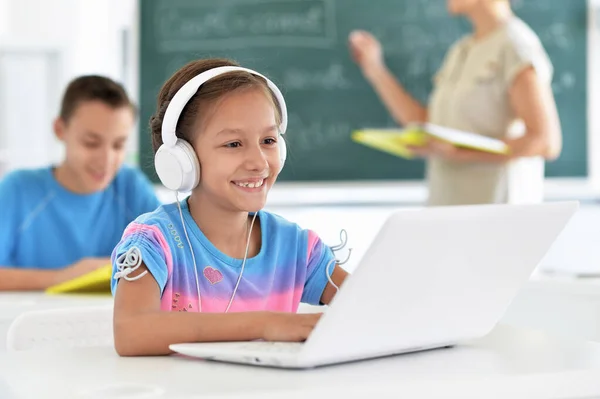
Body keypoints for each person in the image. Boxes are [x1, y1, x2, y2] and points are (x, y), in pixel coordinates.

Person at [110, 58, 349, 356]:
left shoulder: (298, 249)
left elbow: (373, 307)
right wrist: (263, 324)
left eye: (269, 140)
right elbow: (130, 332)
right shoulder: (154, 243)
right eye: (233, 144)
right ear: (182, 160)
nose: (259, 162)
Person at [349, 0, 562, 206]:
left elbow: (544, 141)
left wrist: (459, 153)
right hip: (449, 212)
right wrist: (375, 69)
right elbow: (426, 123)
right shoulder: (461, 50)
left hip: (493, 217)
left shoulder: (515, 45)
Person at [0, 75, 161, 291]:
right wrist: (62, 278)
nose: (106, 161)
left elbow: (178, 259)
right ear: (60, 130)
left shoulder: (131, 187)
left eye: (118, 145)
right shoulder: (18, 190)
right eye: (91, 143)